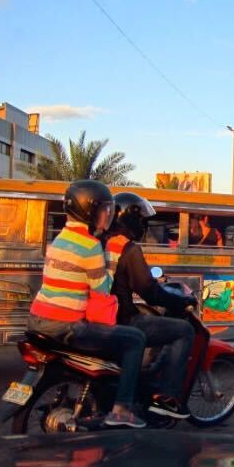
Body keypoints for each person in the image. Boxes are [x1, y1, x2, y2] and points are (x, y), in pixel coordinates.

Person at [27, 180, 147, 428]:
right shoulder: (90, 246)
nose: (108, 216)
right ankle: (121, 409)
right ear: (89, 211)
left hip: (37, 319)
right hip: (67, 326)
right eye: (104, 210)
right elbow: (102, 290)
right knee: (135, 339)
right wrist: (112, 262)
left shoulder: (59, 239)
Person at [103, 192, 196, 419]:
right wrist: (181, 300)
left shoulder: (104, 242)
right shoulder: (128, 248)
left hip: (101, 316)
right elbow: (150, 292)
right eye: (142, 220)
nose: (143, 225)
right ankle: (168, 397)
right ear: (131, 219)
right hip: (123, 318)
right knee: (184, 331)